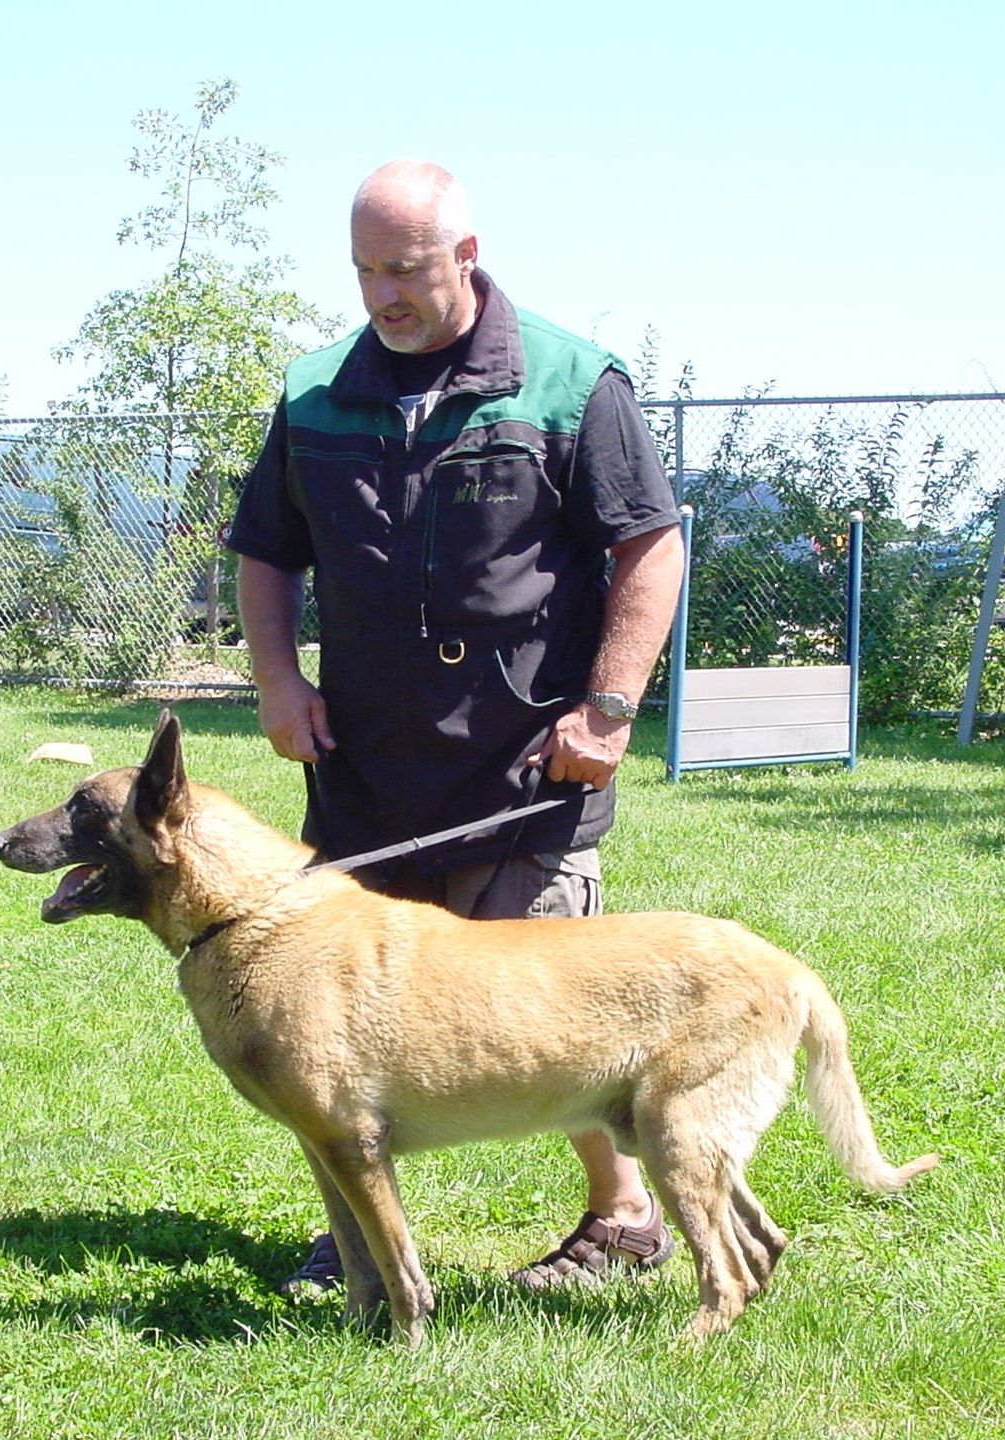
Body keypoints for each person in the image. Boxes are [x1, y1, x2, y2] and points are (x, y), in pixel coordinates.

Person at [225, 158, 686, 1294]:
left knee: (544, 1019)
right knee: (332, 1023)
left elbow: (649, 546)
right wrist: (280, 684)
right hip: (367, 776)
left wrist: (611, 707)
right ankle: (358, 1241)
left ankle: (624, 1221)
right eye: (366, 269)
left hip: (523, 766)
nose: (385, 293)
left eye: (407, 268)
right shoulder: (317, 391)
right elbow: (265, 554)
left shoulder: (573, 384)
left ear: (465, 257)